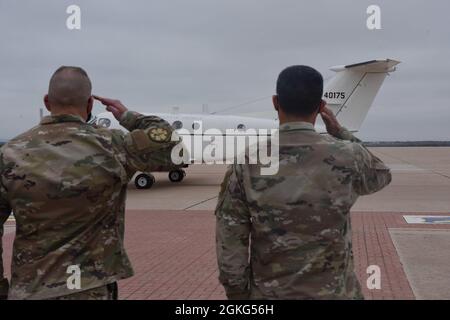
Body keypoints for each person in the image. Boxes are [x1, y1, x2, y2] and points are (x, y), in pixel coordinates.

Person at [0, 66, 178, 300]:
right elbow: (168, 141)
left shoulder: (9, 154)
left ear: (47, 101)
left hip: (29, 289)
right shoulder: (113, 145)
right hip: (90, 288)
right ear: (90, 105)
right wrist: (126, 115)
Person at [215, 65, 392, 300]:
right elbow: (381, 175)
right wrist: (340, 132)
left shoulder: (248, 161)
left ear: (275, 102)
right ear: (320, 107)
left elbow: (230, 234)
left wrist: (237, 293)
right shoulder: (349, 155)